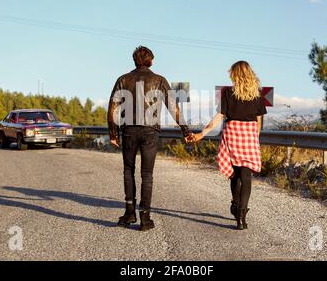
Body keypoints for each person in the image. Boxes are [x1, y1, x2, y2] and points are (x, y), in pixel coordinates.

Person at [108, 46, 193, 231]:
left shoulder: (123, 79)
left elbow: (112, 108)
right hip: (150, 131)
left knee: (128, 171)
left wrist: (113, 134)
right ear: (151, 60)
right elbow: (173, 107)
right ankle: (145, 219)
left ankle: (129, 213)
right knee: (147, 174)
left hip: (129, 130)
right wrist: (185, 130)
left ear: (134, 60)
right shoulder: (159, 80)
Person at [192, 61, 266, 230]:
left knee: (234, 175)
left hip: (232, 134)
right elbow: (259, 122)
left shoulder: (227, 93)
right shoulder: (258, 94)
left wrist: (202, 134)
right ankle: (242, 214)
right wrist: (255, 138)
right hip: (249, 135)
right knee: (246, 176)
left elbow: (219, 117)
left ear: (235, 74)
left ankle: (236, 205)